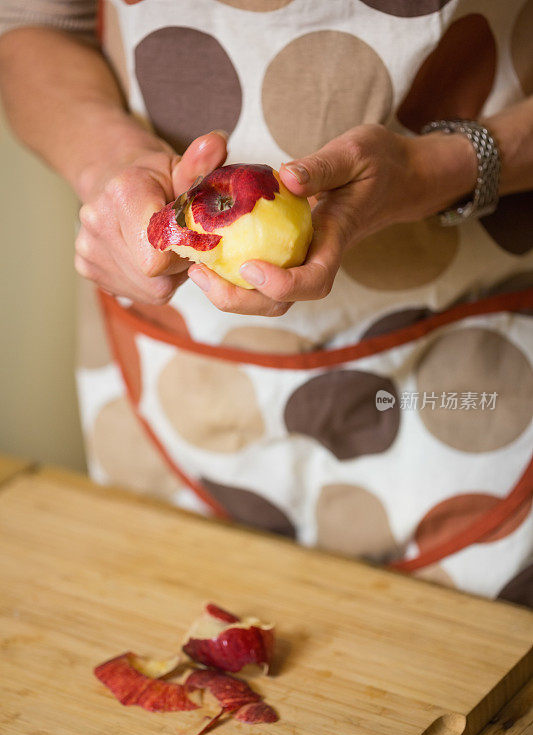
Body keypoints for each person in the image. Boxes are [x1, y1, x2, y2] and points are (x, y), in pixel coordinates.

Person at [1, 0, 532, 606]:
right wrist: (111, 161)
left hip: (472, 366)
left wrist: (441, 167)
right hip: (175, 364)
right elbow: (32, 24)